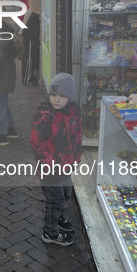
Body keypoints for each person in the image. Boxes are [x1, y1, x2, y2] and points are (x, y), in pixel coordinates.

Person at [30, 73, 83, 247]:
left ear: (70, 97)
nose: (56, 100)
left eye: (61, 96)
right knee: (55, 199)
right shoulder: (45, 114)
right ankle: (50, 232)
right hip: (50, 169)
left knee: (66, 194)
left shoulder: (75, 111)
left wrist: (76, 156)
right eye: (53, 95)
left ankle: (58, 217)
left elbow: (77, 135)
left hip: (67, 165)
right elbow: (36, 141)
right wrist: (50, 162)